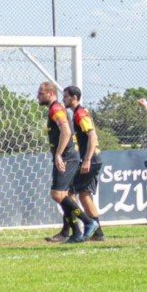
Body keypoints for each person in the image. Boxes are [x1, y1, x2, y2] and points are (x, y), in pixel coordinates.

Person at [37, 82, 99, 243]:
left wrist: (58, 155)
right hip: (68, 156)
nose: (38, 96)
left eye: (40, 93)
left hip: (68, 157)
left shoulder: (57, 109)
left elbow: (66, 131)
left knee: (58, 194)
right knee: (66, 196)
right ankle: (76, 232)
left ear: (50, 94)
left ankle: (88, 222)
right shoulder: (55, 109)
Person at [63, 86, 106, 241]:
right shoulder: (78, 113)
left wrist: (87, 159)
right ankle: (98, 233)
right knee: (84, 195)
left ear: (74, 97)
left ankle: (78, 229)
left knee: (71, 194)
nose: (64, 99)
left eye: (66, 96)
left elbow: (92, 136)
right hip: (93, 159)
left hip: (91, 159)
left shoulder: (80, 113)